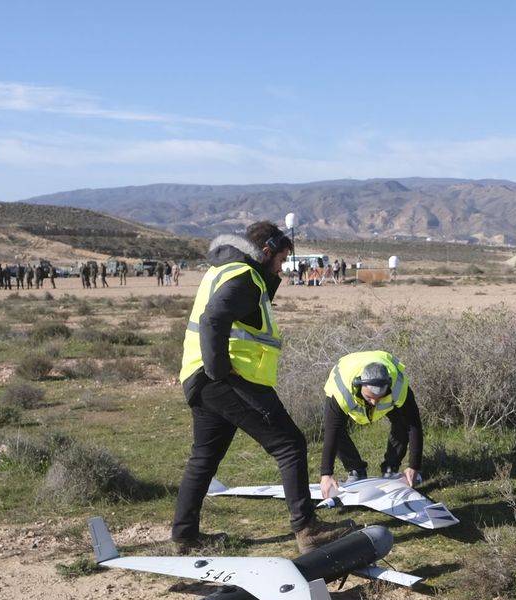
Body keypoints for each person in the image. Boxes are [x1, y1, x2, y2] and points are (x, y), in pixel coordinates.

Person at [172, 220, 355, 555]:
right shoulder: (245, 276)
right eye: (282, 260)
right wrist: (220, 371)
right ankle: (307, 529)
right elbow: (214, 319)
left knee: (204, 458)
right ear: (267, 251)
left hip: (200, 378)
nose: (283, 268)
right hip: (228, 378)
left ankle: (185, 538)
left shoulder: (224, 270)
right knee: (290, 444)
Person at [319, 351, 424, 501]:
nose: (374, 402)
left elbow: (414, 426)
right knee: (337, 431)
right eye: (370, 397)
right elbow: (331, 432)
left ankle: (391, 468)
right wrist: (326, 474)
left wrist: (414, 466)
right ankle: (356, 470)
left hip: (382, 374)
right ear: (359, 385)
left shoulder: (398, 386)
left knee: (402, 422)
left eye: (379, 397)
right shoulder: (341, 392)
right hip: (345, 374)